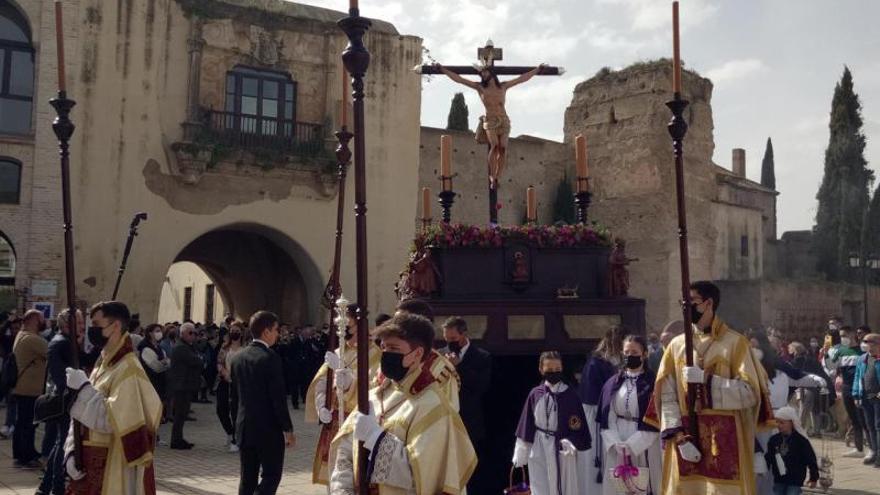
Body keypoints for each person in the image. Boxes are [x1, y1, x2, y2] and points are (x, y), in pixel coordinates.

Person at [644, 281, 773, 495]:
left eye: (691, 302)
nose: (685, 308)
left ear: (708, 303)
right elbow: (666, 396)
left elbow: (750, 393)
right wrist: (678, 437)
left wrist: (708, 380)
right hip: (686, 440)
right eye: (682, 303)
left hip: (725, 441)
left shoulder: (736, 344)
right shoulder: (676, 346)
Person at [329, 313, 476, 494]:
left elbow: (418, 476)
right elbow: (344, 453)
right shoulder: (376, 394)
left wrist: (377, 439)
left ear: (417, 353)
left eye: (394, 348)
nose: (386, 354)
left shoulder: (433, 407)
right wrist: (343, 490)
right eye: (384, 347)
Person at [63, 301, 162, 494]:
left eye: (97, 325)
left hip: (112, 465)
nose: (92, 331)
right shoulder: (103, 362)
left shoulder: (129, 368)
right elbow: (80, 415)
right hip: (88, 464)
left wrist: (83, 389)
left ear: (115, 326)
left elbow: (114, 420)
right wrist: (71, 452)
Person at [435, 62, 544, 188]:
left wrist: (536, 70)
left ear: (492, 73)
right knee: (495, 145)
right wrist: (443, 69)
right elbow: (459, 79)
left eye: (485, 72)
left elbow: (521, 79)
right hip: (490, 120)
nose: (483, 75)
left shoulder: (503, 86)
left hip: (504, 120)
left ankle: (498, 177)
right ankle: (491, 176)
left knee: (502, 148)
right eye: (481, 73)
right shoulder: (480, 87)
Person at [305, 304, 381, 486]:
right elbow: (322, 381)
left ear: (360, 326)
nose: (343, 329)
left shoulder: (374, 354)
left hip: (355, 420)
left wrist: (350, 382)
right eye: (340, 325)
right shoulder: (339, 351)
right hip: (335, 420)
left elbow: (374, 386)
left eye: (347, 325)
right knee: (333, 471)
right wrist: (321, 404)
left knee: (352, 472)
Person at [231, 311, 295, 495]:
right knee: (272, 475)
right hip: (268, 429)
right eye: (276, 330)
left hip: (245, 427)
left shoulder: (238, 358)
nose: (278, 334)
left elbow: (233, 398)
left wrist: (236, 426)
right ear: (266, 332)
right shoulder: (270, 358)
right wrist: (288, 430)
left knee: (247, 479)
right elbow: (278, 398)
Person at [512, 351, 591, 495]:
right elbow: (527, 424)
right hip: (539, 447)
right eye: (549, 370)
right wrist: (521, 452)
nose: (553, 373)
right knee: (540, 486)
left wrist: (570, 442)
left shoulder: (570, 395)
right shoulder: (535, 394)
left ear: (561, 369)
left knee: (565, 487)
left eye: (557, 370)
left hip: (562, 450)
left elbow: (578, 427)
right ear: (541, 370)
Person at [598, 335, 661, 495]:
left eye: (634, 352)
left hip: (643, 442)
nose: (630, 356)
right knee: (617, 488)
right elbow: (607, 414)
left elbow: (656, 418)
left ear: (644, 354)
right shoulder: (613, 382)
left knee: (642, 486)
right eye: (626, 352)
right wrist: (616, 442)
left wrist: (633, 445)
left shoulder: (653, 382)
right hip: (617, 440)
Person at [442, 316, 492, 494]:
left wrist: (459, 366)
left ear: (464, 334)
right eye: (447, 340)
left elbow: (481, 386)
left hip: (470, 421)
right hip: (445, 420)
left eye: (453, 340)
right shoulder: (440, 355)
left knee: (470, 467)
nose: (450, 343)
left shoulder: (482, 357)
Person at [37, 309, 84, 495]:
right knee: (63, 445)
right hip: (63, 400)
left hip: (62, 399)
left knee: (60, 444)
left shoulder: (64, 342)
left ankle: (45, 487)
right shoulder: (62, 343)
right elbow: (63, 376)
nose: (82, 326)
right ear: (67, 324)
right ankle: (55, 488)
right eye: (79, 323)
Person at [579, 324, 624, 490]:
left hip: (613, 416)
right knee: (597, 461)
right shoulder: (597, 363)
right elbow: (593, 396)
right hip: (597, 416)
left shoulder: (614, 362)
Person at [823, 325, 868, 458]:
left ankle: (873, 449)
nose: (843, 338)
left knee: (865, 420)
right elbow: (831, 368)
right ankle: (859, 449)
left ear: (852, 335)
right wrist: (827, 353)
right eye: (841, 336)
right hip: (847, 387)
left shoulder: (862, 350)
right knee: (855, 419)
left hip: (861, 387)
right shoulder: (840, 351)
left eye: (845, 335)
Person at [11, 309, 48, 469]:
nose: (43, 322)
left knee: (22, 423)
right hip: (29, 389)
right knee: (28, 424)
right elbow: (50, 350)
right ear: (33, 321)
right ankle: (26, 455)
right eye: (41, 319)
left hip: (22, 387)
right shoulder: (32, 339)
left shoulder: (21, 335)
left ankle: (22, 452)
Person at [764, 406, 818, 494]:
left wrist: (813, 478)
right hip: (779, 479)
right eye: (777, 422)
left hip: (795, 480)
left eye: (782, 422)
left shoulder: (801, 441)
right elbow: (769, 457)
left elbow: (811, 459)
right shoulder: (774, 440)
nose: (779, 425)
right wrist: (762, 467)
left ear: (791, 423)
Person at [168, 322, 202, 449]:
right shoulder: (181, 347)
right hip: (181, 386)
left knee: (182, 414)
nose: (193, 336)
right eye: (190, 333)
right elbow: (195, 361)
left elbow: (198, 357)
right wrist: (199, 359)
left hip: (185, 385)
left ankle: (179, 438)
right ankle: (176, 441)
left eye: (194, 333)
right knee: (180, 414)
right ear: (182, 333)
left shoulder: (188, 346)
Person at [853, 332, 880, 467]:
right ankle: (874, 451)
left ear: (876, 343)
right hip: (865, 397)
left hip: (878, 397)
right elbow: (858, 377)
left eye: (866, 341)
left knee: (878, 426)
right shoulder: (862, 358)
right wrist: (856, 394)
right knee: (870, 427)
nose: (863, 343)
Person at [217, 322, 244, 453]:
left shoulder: (245, 348)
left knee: (235, 412)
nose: (234, 332)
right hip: (225, 381)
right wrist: (224, 373)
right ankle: (229, 431)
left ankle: (236, 439)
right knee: (221, 409)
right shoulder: (225, 347)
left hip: (239, 384)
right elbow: (219, 363)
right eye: (232, 330)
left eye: (237, 330)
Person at [137, 324, 170, 428]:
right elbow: (157, 367)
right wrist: (164, 363)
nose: (159, 333)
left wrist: (164, 363)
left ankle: (156, 436)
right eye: (157, 331)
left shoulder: (159, 348)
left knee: (158, 412)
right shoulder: (146, 349)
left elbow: (168, 362)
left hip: (160, 384)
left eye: (160, 331)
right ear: (150, 333)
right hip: (150, 383)